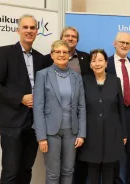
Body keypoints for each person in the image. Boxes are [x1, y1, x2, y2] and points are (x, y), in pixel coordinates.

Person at [0, 14, 47, 184]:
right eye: (25, 27)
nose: (29, 31)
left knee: (26, 170)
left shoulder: (40, 58)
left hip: (34, 123)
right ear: (18, 30)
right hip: (11, 122)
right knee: (11, 171)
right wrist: (20, 98)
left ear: (37, 31)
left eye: (32, 28)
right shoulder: (4, 52)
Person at [33, 40, 86, 184]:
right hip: (50, 133)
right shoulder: (42, 75)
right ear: (52, 55)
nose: (62, 54)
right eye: (58, 51)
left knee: (68, 171)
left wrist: (81, 134)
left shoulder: (76, 77)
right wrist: (41, 137)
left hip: (72, 132)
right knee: (53, 173)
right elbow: (38, 107)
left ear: (69, 55)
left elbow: (81, 106)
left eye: (65, 52)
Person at [77, 49, 127, 184]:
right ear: (90, 64)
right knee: (92, 174)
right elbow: (79, 108)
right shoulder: (84, 81)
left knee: (109, 174)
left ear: (106, 63)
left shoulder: (115, 81)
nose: (97, 63)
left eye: (100, 60)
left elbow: (120, 108)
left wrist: (124, 134)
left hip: (112, 133)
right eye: (94, 61)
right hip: (91, 133)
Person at [107, 32, 130, 184]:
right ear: (115, 43)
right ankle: (116, 181)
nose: (124, 45)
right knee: (114, 150)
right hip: (114, 113)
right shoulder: (106, 63)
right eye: (122, 42)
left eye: (128, 43)